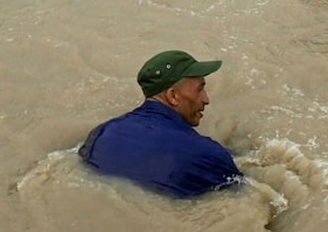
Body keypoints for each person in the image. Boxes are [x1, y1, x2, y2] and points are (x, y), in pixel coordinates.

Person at [79, 50, 241, 198]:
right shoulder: (207, 154)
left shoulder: (100, 135)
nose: (206, 99)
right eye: (199, 90)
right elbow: (245, 196)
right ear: (173, 96)